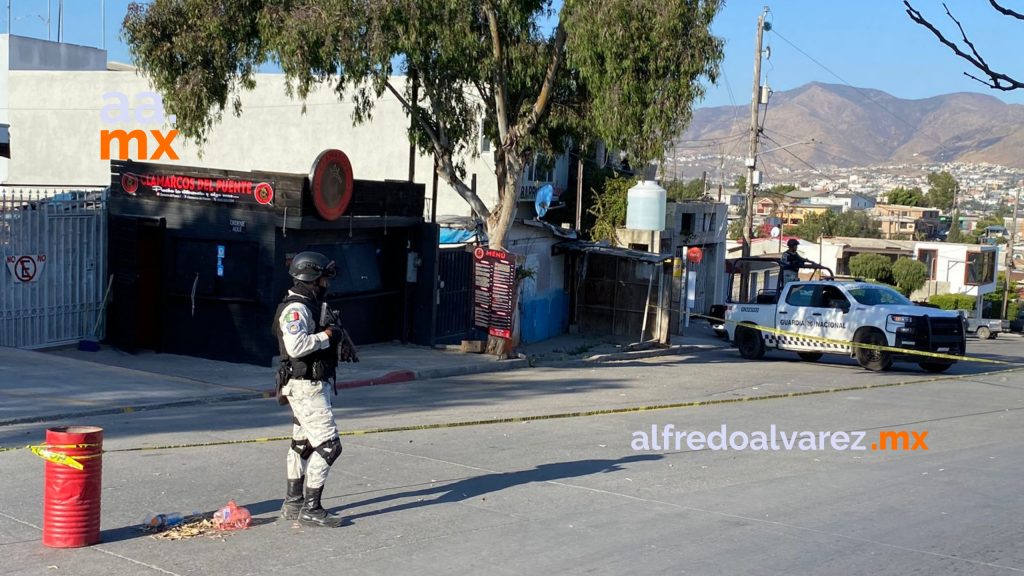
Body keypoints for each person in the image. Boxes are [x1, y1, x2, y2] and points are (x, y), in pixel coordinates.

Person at [274, 251, 345, 528]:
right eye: (324, 277)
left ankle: (293, 504)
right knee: (329, 446)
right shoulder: (297, 309)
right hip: (307, 387)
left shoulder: (310, 305)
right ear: (312, 278)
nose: (327, 282)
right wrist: (327, 336)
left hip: (310, 385)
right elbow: (296, 346)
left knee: (302, 444)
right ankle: (311, 508)